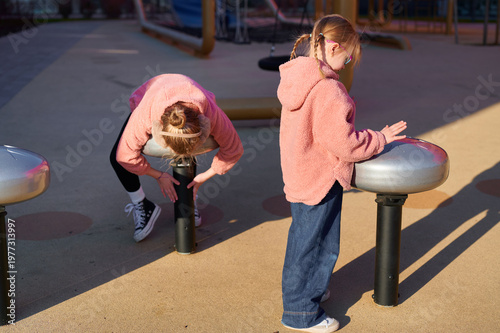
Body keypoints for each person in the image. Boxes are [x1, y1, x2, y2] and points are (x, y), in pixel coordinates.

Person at [277, 14, 407, 332]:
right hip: (321, 179)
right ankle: (300, 313)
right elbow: (345, 144)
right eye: (348, 56)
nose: (347, 63)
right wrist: (380, 138)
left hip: (298, 172)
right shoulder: (328, 91)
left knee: (304, 239)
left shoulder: (298, 77)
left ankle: (311, 289)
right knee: (318, 244)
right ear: (333, 46)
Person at [110, 74, 243, 242]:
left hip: (189, 99)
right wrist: (158, 175)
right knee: (115, 157)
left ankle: (188, 200)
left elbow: (234, 148)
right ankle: (142, 205)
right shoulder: (145, 115)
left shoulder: (210, 113)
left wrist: (205, 176)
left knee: (188, 148)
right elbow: (125, 156)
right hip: (152, 98)